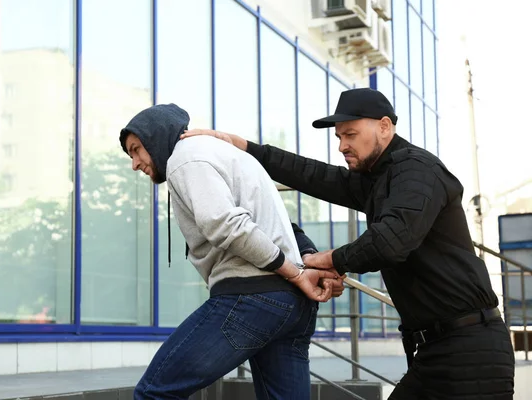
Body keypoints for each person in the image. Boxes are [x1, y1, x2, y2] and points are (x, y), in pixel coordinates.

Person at [181, 88, 516, 400]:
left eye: (350, 134)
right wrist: (246, 148)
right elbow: (315, 175)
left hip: (472, 351)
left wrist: (329, 260)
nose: (342, 145)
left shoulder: (417, 171)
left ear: (385, 127)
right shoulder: (379, 179)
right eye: (339, 136)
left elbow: (390, 242)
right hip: (434, 350)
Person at [119, 103, 344, 400]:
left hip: (252, 298)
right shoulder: (230, 156)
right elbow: (284, 225)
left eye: (136, 150)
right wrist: (305, 264)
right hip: (293, 307)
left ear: (157, 138)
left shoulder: (184, 158)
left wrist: (295, 272)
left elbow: (225, 224)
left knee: (154, 393)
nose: (135, 163)